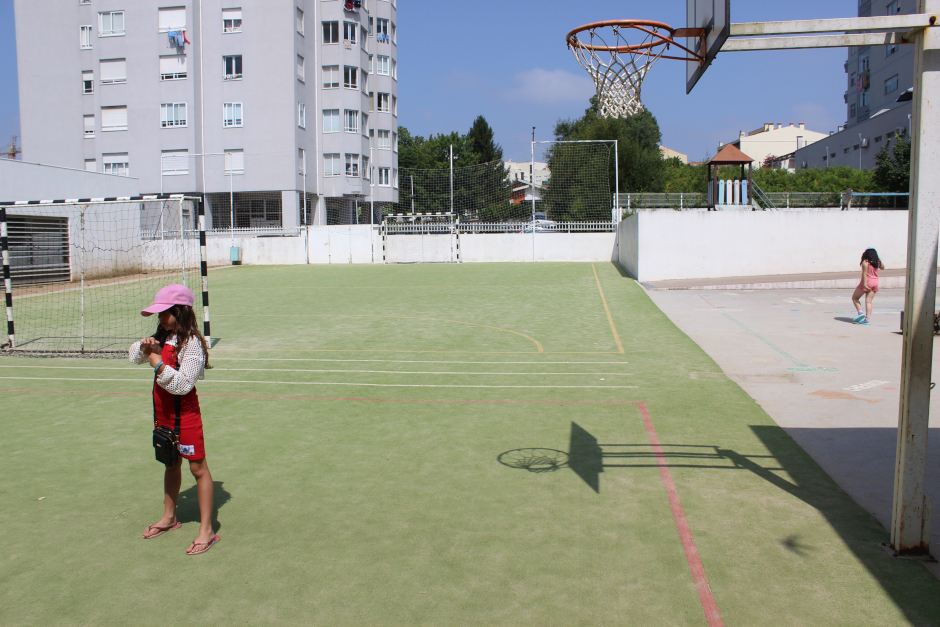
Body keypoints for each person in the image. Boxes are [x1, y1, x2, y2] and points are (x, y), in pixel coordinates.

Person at [129, 284, 219, 555]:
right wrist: (145, 347)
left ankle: (207, 530)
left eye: (163, 313)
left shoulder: (192, 344)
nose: (159, 318)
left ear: (179, 312)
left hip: (186, 416)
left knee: (198, 469)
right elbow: (133, 356)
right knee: (170, 463)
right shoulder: (163, 336)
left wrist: (156, 362)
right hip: (163, 415)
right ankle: (169, 517)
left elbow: (182, 385)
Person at [851, 248, 884, 326]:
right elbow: (883, 267)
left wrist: (865, 285)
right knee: (868, 301)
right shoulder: (878, 262)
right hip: (875, 283)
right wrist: (878, 260)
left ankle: (860, 313)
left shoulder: (866, 262)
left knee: (855, 298)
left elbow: (865, 274)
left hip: (867, 282)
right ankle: (867, 319)